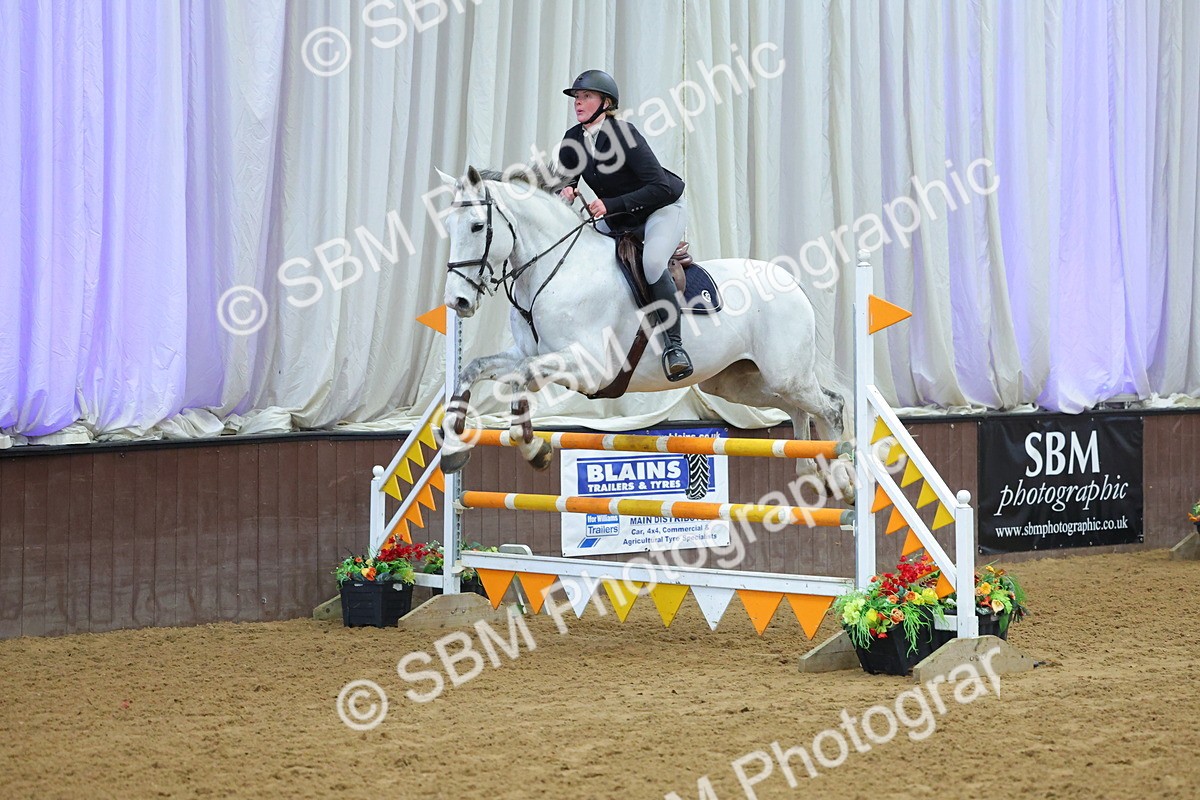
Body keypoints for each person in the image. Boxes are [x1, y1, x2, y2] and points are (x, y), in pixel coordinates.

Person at [554, 69, 693, 382]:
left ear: (605, 102)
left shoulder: (624, 134)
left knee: (653, 264)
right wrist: (566, 190)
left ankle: (675, 347)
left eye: (586, 96)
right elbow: (568, 179)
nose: (578, 103)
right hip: (621, 218)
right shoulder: (572, 139)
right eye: (576, 97)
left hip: (662, 209)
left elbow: (657, 185)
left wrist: (610, 205)